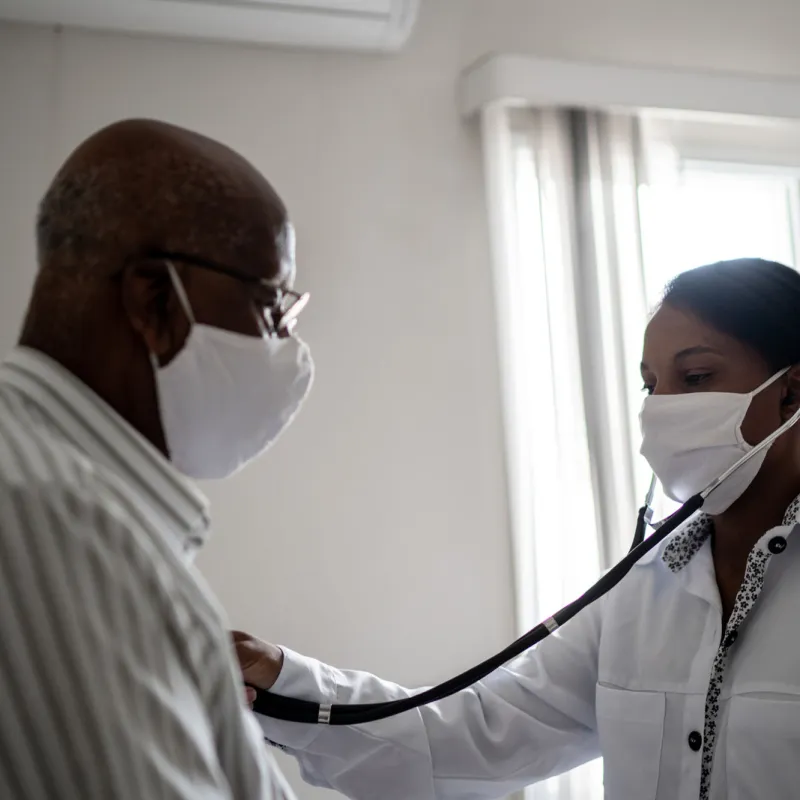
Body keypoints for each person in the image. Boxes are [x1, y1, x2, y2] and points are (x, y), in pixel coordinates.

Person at [237, 258, 800, 800]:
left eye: (696, 376)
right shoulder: (641, 590)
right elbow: (473, 740)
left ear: (791, 394)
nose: (661, 409)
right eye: (651, 385)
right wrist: (280, 682)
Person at [0, 119, 313, 799]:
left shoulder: (84, 506)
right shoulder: (55, 519)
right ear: (153, 300)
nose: (284, 345)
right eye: (267, 305)